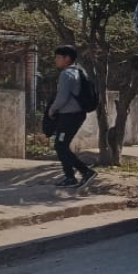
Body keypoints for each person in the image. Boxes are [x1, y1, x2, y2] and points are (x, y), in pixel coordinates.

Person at [47, 45, 97, 188]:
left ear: (67, 58)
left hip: (69, 116)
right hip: (74, 115)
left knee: (60, 146)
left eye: (58, 57)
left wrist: (52, 109)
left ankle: (84, 172)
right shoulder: (78, 72)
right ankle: (70, 177)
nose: (56, 60)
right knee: (61, 146)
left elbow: (62, 97)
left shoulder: (67, 74)